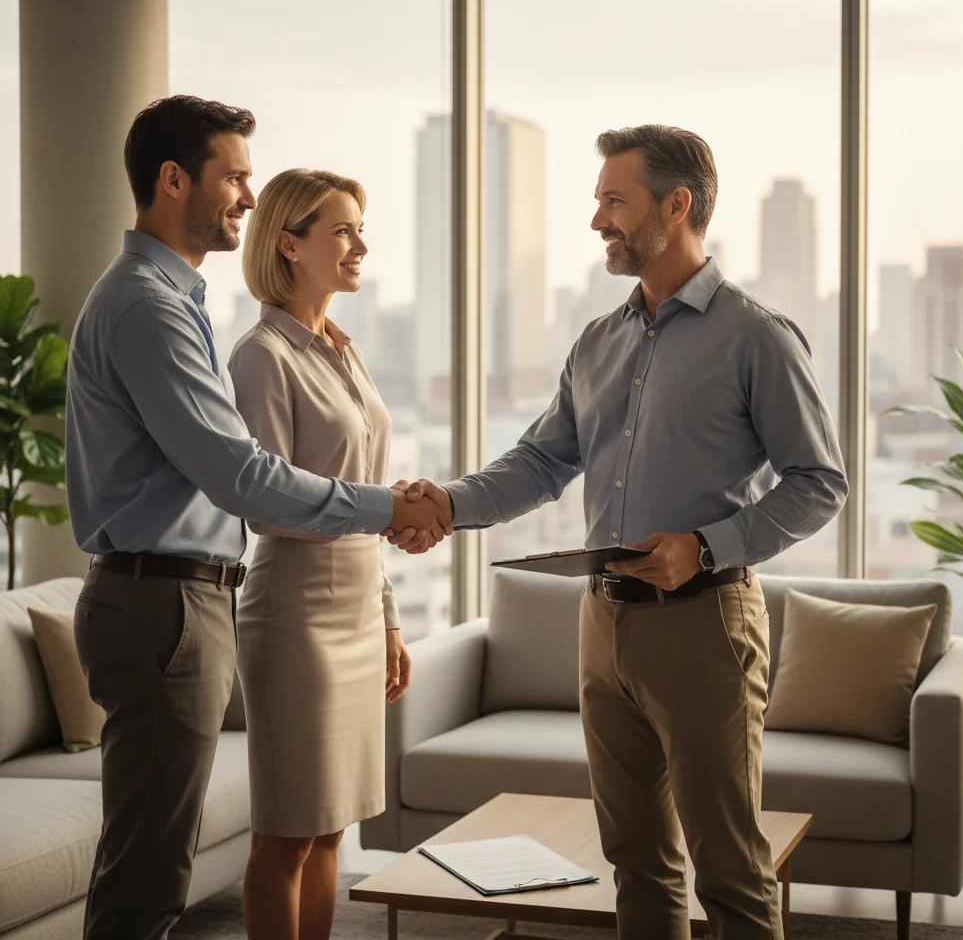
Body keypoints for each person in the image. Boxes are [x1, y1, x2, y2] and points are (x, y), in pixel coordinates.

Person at [398, 124, 848, 939]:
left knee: (732, 870)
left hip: (705, 625)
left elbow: (821, 484)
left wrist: (707, 545)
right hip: (603, 624)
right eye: (599, 199)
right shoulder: (599, 340)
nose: (598, 219)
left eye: (615, 200)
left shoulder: (757, 337)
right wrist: (448, 504)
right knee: (636, 860)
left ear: (677, 207)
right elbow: (541, 461)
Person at [65, 95, 449, 940]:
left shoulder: (177, 302)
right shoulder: (150, 308)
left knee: (156, 860)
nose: (246, 192)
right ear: (174, 181)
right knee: (149, 873)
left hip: (186, 597)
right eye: (233, 175)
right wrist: (390, 509)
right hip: (163, 601)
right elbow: (242, 474)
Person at [226, 169, 411, 940]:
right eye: (343, 230)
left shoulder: (344, 348)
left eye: (359, 228)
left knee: (334, 828)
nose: (360, 245)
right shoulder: (261, 356)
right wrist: (391, 512)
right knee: (288, 832)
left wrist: (390, 618)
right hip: (296, 617)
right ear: (288, 243)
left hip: (358, 613)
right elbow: (271, 505)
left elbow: (359, 488)